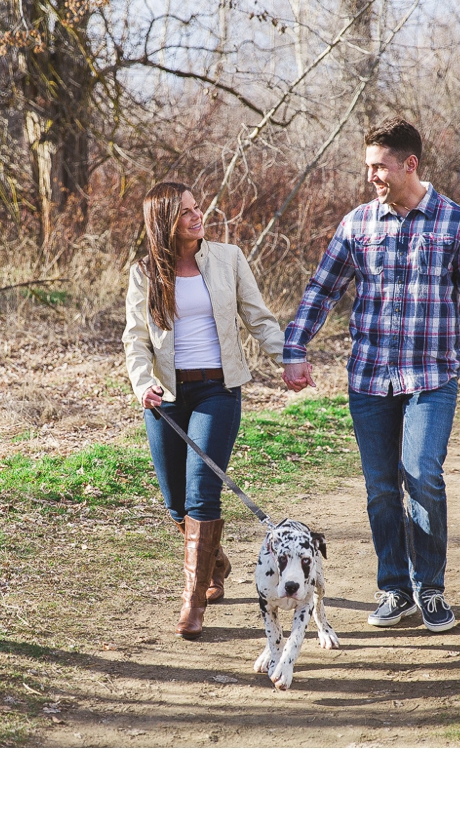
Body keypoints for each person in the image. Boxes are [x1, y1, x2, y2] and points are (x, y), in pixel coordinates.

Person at [281, 117, 460, 633]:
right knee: (382, 487)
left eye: (379, 167)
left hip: (431, 378)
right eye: (367, 168)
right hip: (370, 379)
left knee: (422, 475)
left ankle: (430, 588)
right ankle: (394, 589)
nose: (372, 178)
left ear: (410, 164)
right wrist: (295, 347)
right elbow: (322, 290)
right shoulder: (358, 224)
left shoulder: (455, 222)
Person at [123, 181, 285, 639]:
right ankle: (214, 560)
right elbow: (135, 338)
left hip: (218, 390)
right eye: (186, 213)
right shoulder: (144, 273)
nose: (198, 216)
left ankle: (192, 605)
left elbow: (258, 317)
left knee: (201, 493)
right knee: (176, 500)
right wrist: (142, 383)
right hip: (167, 398)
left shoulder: (228, 258)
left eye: (198, 208)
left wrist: (287, 359)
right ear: (164, 223)